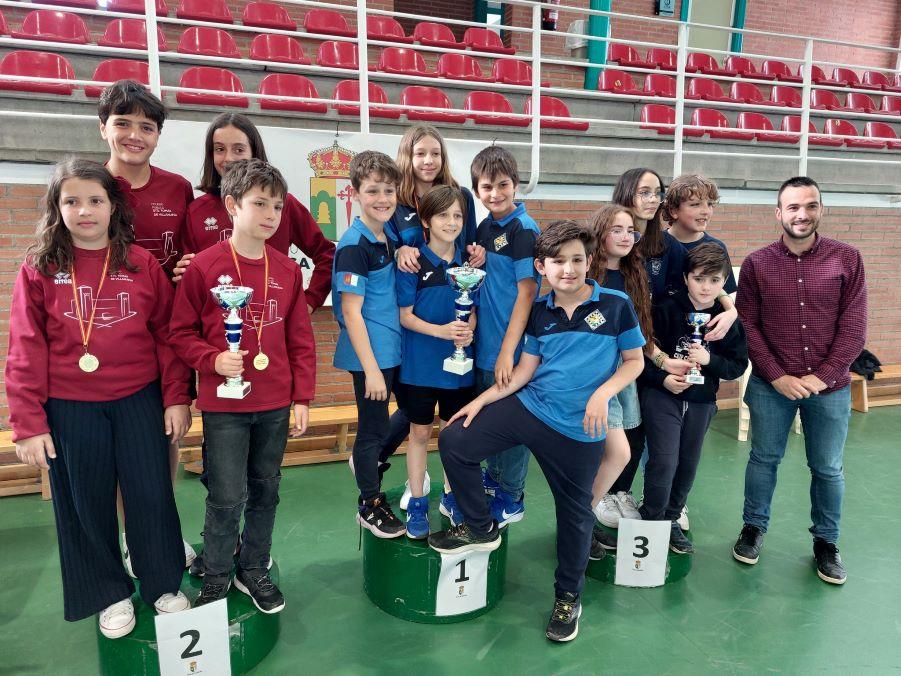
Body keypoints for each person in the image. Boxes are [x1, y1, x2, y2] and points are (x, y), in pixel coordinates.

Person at [428, 220, 645, 642]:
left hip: (579, 428)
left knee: (575, 515)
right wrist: (481, 401)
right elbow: (525, 371)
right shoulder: (540, 312)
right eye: (558, 262)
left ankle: (568, 597)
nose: (568, 269)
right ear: (542, 267)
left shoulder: (616, 305)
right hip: (531, 407)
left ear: (589, 262)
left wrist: (602, 394)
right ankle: (480, 526)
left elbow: (634, 361)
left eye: (577, 260)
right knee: (455, 439)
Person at [6, 158, 192, 638]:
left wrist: (176, 397)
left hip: (138, 400)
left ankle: (162, 582)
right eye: (71, 201)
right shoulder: (40, 268)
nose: (84, 211)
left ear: (114, 207)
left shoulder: (141, 264)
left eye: (95, 200)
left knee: (151, 493)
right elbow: (25, 346)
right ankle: (109, 592)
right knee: (85, 502)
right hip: (70, 407)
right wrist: (28, 422)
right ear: (57, 207)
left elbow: (167, 335)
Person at [170, 159, 315, 612]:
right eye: (260, 203)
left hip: (274, 403)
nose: (271, 214)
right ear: (232, 205)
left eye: (277, 206)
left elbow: (300, 339)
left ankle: (253, 568)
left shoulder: (287, 270)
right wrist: (213, 359)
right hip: (225, 407)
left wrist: (302, 397)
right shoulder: (205, 267)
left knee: (266, 489)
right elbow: (180, 333)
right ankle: (216, 575)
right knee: (226, 496)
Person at [732, 176, 866, 585]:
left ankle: (826, 542)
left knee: (827, 468)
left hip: (830, 389)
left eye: (810, 205)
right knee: (763, 459)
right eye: (793, 207)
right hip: (771, 387)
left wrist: (820, 378)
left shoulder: (848, 259)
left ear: (821, 209)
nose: (802, 214)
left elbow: (854, 328)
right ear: (779, 213)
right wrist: (778, 377)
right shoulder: (756, 264)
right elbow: (747, 326)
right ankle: (753, 528)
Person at [97, 79, 197, 571]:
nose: (134, 135)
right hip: (109, 338)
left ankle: (158, 528)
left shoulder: (177, 188)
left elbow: (191, 253)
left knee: (167, 436)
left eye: (146, 127)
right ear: (103, 128)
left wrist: (190, 267)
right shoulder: (88, 186)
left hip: (168, 336)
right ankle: (133, 537)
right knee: (121, 451)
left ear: (158, 135)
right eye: (123, 123)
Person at [377, 124, 487, 486]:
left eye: (435, 153)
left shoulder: (461, 195)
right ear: (407, 157)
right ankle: (397, 473)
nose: (428, 160)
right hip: (415, 325)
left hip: (453, 321)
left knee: (450, 426)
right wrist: (400, 251)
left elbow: (468, 244)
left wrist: (477, 253)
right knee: (417, 422)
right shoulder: (397, 200)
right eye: (420, 153)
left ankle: (452, 493)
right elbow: (386, 245)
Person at [638, 243, 748, 553]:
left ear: (724, 281)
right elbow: (641, 356)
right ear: (686, 277)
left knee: (687, 463)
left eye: (714, 280)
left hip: (702, 401)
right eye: (699, 279)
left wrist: (710, 360)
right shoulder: (664, 309)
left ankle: (671, 517)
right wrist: (662, 378)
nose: (706, 287)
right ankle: (652, 519)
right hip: (663, 397)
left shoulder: (726, 320)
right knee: (664, 460)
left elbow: (737, 365)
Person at [173, 112, 335, 313]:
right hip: (215, 325)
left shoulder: (284, 204)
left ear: (254, 152)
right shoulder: (197, 211)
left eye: (239, 149)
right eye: (220, 149)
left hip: (271, 321)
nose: (228, 158)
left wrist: (309, 302)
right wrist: (184, 273)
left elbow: (327, 255)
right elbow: (188, 277)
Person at [395, 186, 476, 537]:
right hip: (419, 368)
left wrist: (468, 331)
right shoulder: (413, 262)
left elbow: (472, 312)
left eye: (457, 215)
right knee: (419, 433)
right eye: (443, 215)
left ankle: (450, 496)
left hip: (459, 370)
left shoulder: (469, 265)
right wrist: (442, 332)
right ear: (426, 221)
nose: (452, 222)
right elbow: (405, 316)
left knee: (452, 435)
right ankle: (417, 500)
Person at [332, 151, 405, 538]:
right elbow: (351, 311)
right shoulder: (354, 245)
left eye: (389, 190)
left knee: (413, 409)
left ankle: (370, 459)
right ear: (356, 193)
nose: (382, 198)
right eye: (373, 190)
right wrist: (372, 370)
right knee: (372, 431)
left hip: (392, 347)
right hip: (370, 356)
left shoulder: (386, 235)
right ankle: (369, 503)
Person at [470, 145, 540, 526]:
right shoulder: (485, 227)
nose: (495, 193)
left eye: (502, 185)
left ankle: (512, 495)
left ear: (515, 184)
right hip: (485, 343)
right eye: (486, 187)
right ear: (476, 190)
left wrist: (507, 351)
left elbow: (527, 293)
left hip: (509, 348)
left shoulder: (523, 229)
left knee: (511, 425)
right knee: (491, 421)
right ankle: (495, 480)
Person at [584, 205, 654, 534]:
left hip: (627, 369)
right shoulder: (587, 275)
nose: (626, 237)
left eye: (631, 231)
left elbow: (641, 331)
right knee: (605, 441)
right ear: (601, 233)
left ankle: (614, 495)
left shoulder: (634, 275)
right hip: (596, 370)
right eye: (617, 230)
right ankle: (593, 502)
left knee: (630, 435)